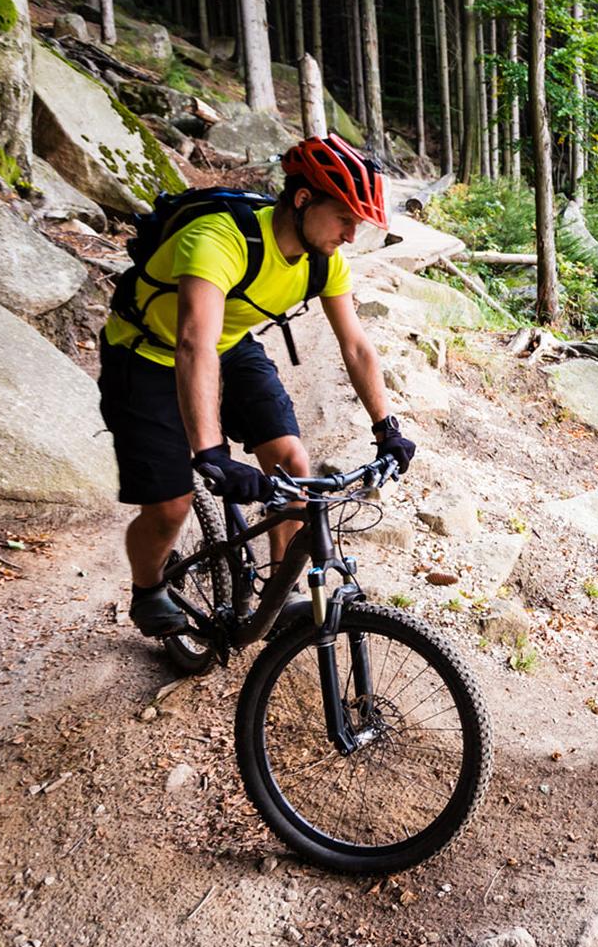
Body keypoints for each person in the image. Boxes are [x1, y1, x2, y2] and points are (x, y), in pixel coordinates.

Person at [97, 134, 416, 636]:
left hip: (228, 343)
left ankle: (281, 595)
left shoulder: (324, 261)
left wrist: (387, 427)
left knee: (292, 465)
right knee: (170, 506)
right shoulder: (219, 239)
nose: (352, 236)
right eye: (345, 218)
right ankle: (148, 589)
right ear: (304, 199)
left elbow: (355, 346)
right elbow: (191, 345)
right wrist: (211, 452)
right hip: (144, 353)